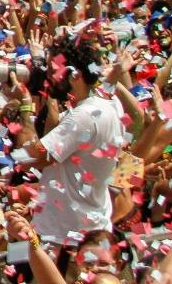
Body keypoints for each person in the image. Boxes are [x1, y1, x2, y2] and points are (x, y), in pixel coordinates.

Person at [11, 33, 127, 250]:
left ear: (75, 75)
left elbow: (29, 158)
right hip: (86, 231)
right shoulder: (109, 106)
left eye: (53, 70)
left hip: (64, 241)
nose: (47, 77)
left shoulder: (83, 117)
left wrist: (26, 106)